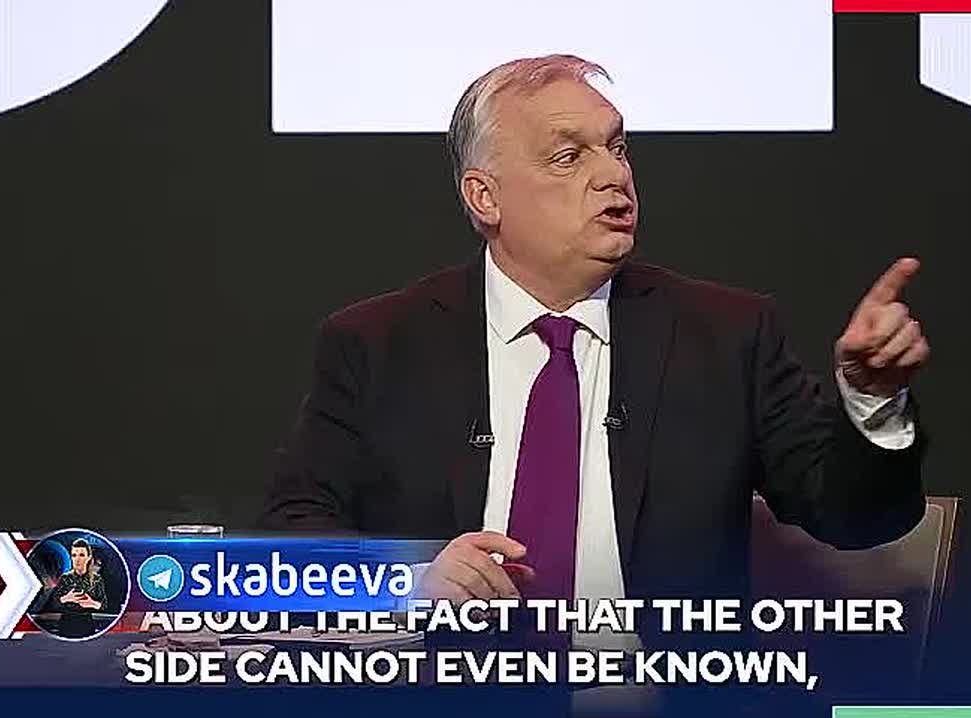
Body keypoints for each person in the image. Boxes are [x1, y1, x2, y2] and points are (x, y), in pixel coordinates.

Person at [264, 54, 929, 649]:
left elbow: (855, 517)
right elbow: (292, 530)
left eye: (617, 148)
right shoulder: (379, 344)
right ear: (485, 196)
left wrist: (873, 399)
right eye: (568, 157)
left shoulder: (726, 336)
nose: (614, 174)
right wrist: (405, 584)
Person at [47, 538, 106, 638]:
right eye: (74, 555)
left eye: (81, 555)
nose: (77, 559)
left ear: (88, 557)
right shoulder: (65, 578)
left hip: (87, 625)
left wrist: (92, 603)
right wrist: (66, 598)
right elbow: (53, 604)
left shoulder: (97, 579)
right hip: (66, 624)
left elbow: (104, 605)